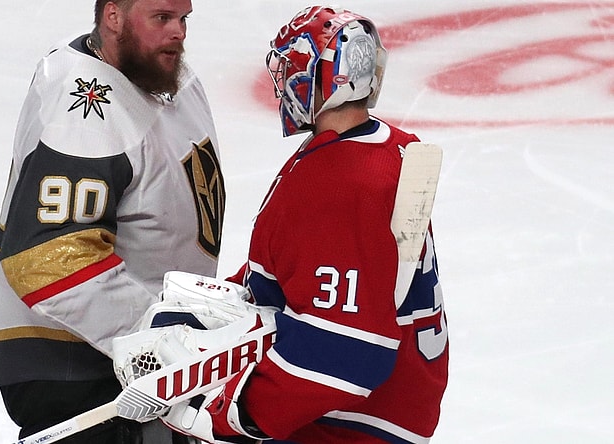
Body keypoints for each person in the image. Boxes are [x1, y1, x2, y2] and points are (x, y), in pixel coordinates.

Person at [160, 5, 449, 444]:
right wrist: (235, 295)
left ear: (321, 77)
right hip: (382, 414)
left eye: (292, 68)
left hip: (346, 428)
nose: (284, 84)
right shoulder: (382, 147)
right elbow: (319, 271)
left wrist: (237, 414)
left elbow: (349, 351)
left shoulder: (340, 182)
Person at [0, 0, 225, 442]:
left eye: (183, 19)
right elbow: (46, 256)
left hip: (137, 354)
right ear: (113, 16)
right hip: (74, 363)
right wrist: (158, 337)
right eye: (162, 18)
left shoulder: (162, 73)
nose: (179, 33)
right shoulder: (85, 113)